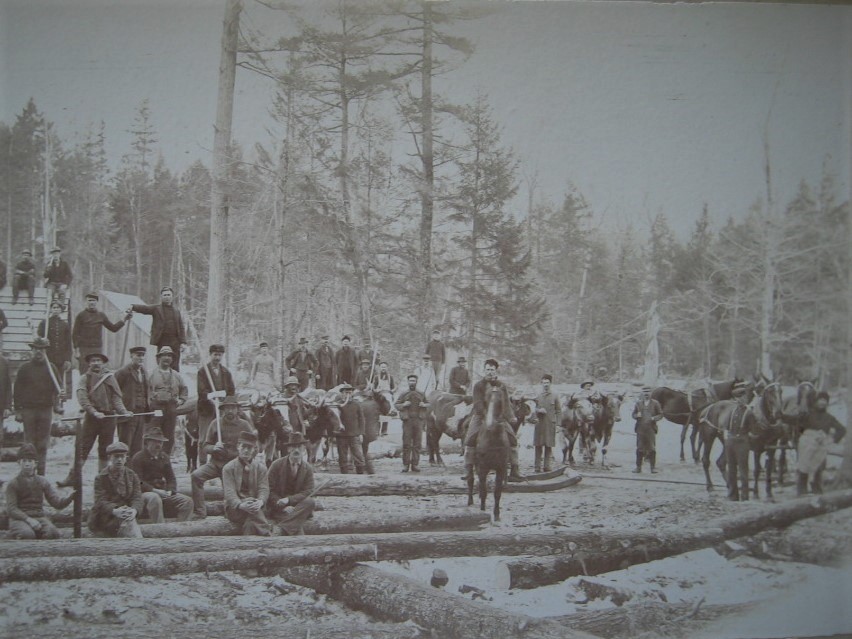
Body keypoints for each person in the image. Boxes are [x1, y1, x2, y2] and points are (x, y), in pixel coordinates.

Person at [58, 352, 131, 487]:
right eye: (93, 360)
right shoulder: (84, 378)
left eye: (99, 360)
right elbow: (83, 399)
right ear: (89, 363)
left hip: (109, 418)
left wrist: (124, 411)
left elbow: (116, 398)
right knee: (83, 447)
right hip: (92, 418)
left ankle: (102, 478)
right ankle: (73, 477)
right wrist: (94, 412)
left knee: (105, 449)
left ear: (103, 363)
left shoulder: (110, 377)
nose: (96, 363)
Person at [190, 396, 254, 519]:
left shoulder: (245, 425)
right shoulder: (216, 423)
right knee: (196, 476)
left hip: (234, 467)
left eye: (232, 408)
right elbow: (205, 446)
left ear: (237, 410)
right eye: (227, 408)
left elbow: (253, 447)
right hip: (216, 464)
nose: (230, 411)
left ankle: (230, 513)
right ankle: (200, 511)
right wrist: (213, 448)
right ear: (223, 410)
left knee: (231, 496)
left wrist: (243, 458)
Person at [462, 359, 518, 482]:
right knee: (470, 439)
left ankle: (515, 469)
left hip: (499, 417)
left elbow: (506, 404)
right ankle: (468, 469)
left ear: (496, 371)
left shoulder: (501, 386)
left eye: (492, 370)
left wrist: (511, 416)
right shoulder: (478, 386)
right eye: (487, 369)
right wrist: (486, 415)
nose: (490, 372)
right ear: (484, 370)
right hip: (480, 415)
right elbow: (478, 403)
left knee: (512, 439)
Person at [13, 337, 62, 476]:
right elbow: (17, 390)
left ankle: (41, 474)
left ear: (45, 351)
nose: (39, 352)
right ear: (32, 350)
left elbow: (58, 389)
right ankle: (28, 473)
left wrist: (57, 404)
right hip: (28, 410)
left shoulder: (51, 368)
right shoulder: (24, 368)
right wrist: (18, 410)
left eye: (41, 349)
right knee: (29, 443)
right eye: (36, 349)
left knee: (42, 443)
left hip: (45, 409)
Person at [5, 444, 75, 539]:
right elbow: (12, 509)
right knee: (27, 535)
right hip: (19, 519)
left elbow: (57, 503)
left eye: (30, 461)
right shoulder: (13, 484)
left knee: (52, 533)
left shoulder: (42, 481)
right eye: (24, 461)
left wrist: (70, 498)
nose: (27, 464)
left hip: (39, 517)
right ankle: (13, 537)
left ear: (35, 464)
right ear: (18, 462)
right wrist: (29, 519)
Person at [130, 427, 193, 523]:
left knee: (187, 501)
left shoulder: (164, 457)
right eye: (155, 442)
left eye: (160, 442)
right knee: (154, 498)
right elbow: (138, 482)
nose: (158, 445)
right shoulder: (138, 458)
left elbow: (171, 478)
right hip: (145, 493)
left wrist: (170, 491)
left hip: (162, 491)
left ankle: (180, 528)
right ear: (147, 442)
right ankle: (160, 527)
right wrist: (154, 490)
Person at [88, 441, 143, 538]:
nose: (119, 460)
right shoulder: (101, 477)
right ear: (110, 457)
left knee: (129, 521)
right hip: (106, 517)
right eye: (116, 456)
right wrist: (115, 510)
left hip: (126, 514)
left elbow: (137, 497)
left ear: (126, 458)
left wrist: (134, 510)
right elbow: (100, 501)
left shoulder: (132, 475)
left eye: (122, 456)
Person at [797, 391, 847, 496]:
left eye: (825, 401)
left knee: (818, 470)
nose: (822, 403)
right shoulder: (808, 415)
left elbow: (842, 430)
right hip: (806, 447)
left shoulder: (829, 417)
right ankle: (802, 492)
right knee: (803, 468)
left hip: (820, 449)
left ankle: (817, 493)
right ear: (816, 402)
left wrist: (831, 440)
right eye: (820, 400)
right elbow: (797, 424)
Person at [222, 431, 271, 536]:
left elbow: (264, 488)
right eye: (243, 446)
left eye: (249, 447)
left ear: (254, 449)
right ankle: (267, 532)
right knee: (250, 502)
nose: (246, 450)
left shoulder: (260, 468)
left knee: (250, 525)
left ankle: (247, 539)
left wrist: (260, 502)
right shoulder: (228, 468)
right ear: (238, 447)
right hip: (235, 509)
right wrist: (240, 504)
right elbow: (229, 493)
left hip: (255, 507)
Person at [266, 432, 316, 535]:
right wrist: (283, 506)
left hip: (297, 507)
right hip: (279, 507)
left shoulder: (308, 469)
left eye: (299, 447)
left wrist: (289, 500)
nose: (296, 450)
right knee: (298, 531)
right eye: (293, 447)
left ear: (304, 449)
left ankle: (280, 529)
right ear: (288, 449)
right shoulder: (276, 465)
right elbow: (269, 489)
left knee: (310, 502)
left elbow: (308, 491)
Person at [129, 287, 187, 371]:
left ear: (172, 296)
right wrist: (133, 306)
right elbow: (145, 309)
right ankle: (161, 381)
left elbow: (181, 327)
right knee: (162, 362)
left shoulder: (176, 311)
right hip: (162, 341)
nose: (167, 297)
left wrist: (183, 342)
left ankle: (175, 382)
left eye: (168, 295)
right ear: (161, 297)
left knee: (175, 364)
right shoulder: (156, 309)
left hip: (175, 342)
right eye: (165, 295)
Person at [72, 291, 131, 373]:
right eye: (89, 300)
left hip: (97, 348)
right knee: (84, 371)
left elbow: (113, 328)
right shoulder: (81, 315)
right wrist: (76, 350)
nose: (91, 303)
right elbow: (75, 334)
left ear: (97, 302)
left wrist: (124, 320)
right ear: (86, 302)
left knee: (97, 371)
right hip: (84, 348)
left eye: (93, 300)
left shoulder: (101, 315)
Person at [197, 344, 236, 465]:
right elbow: (201, 391)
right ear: (210, 355)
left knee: (225, 437)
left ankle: (222, 465)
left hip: (222, 409)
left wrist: (225, 402)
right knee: (204, 439)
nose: (217, 358)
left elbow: (231, 391)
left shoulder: (226, 372)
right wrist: (211, 399)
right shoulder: (203, 371)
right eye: (215, 355)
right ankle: (203, 464)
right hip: (207, 409)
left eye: (220, 355)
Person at [147, 346, 187, 455]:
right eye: (164, 355)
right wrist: (151, 403)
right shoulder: (151, 374)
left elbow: (184, 388)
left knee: (169, 435)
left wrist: (181, 400)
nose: (167, 358)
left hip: (171, 408)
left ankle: (165, 459)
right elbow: (147, 390)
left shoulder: (176, 375)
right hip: (156, 409)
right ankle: (152, 458)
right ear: (159, 358)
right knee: (153, 434)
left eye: (169, 356)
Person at [114, 346, 150, 459]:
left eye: (142, 355)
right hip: (127, 415)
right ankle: (124, 472)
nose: (141, 358)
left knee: (138, 446)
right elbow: (114, 393)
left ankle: (134, 473)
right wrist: (121, 410)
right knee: (125, 445)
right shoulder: (123, 372)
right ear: (131, 356)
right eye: (138, 355)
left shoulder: (144, 372)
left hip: (141, 414)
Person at [721, 381, 752, 499]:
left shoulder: (749, 413)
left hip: (742, 442)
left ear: (745, 398)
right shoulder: (732, 411)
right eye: (737, 398)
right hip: (730, 442)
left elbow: (753, 429)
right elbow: (725, 425)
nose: (740, 400)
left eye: (742, 398)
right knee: (732, 469)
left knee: (743, 470)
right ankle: (733, 495)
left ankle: (745, 495)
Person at [395, 375, 431, 473]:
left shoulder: (421, 393)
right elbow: (396, 404)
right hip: (407, 421)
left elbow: (429, 403)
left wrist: (424, 405)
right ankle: (406, 465)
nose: (412, 382)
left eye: (414, 381)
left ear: (416, 382)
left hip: (419, 421)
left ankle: (415, 464)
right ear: (408, 382)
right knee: (406, 443)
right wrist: (403, 405)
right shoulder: (404, 393)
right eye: (410, 381)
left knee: (417, 444)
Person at [37, 300, 73, 395]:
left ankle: (57, 402)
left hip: (60, 359)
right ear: (51, 309)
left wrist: (68, 359)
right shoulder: (45, 323)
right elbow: (38, 338)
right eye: (54, 308)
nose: (56, 310)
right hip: (48, 357)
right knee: (47, 379)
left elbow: (68, 344)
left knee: (58, 379)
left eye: (58, 308)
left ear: (61, 310)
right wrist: (43, 340)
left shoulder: (64, 325)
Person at [335, 383, 367, 474]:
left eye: (350, 392)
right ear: (342, 393)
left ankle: (360, 475)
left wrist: (361, 433)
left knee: (358, 455)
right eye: (346, 392)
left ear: (352, 393)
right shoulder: (337, 405)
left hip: (354, 434)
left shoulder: (357, 404)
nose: (348, 394)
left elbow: (362, 419)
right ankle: (344, 476)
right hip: (341, 435)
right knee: (342, 456)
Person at [632, 386, 664, 474]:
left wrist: (654, 418)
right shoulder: (638, 403)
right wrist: (636, 416)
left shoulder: (655, 403)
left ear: (651, 393)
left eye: (648, 392)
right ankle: (638, 467)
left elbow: (661, 414)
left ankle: (653, 468)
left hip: (651, 429)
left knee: (652, 448)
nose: (646, 394)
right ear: (642, 393)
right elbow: (633, 414)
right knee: (639, 448)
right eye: (645, 392)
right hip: (640, 428)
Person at [534, 374, 561, 475]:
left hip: (550, 424)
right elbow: (532, 408)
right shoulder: (537, 395)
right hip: (539, 424)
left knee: (548, 445)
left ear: (550, 383)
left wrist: (558, 424)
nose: (545, 385)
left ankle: (547, 466)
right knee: (538, 445)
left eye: (547, 382)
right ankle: (537, 467)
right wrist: (538, 410)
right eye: (544, 383)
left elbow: (558, 411)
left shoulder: (555, 395)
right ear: (541, 383)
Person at [356, 389, 379, 474]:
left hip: (360, 431)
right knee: (364, 449)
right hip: (370, 431)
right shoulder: (374, 404)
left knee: (360, 450)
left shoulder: (360, 405)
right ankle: (368, 468)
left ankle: (366, 468)